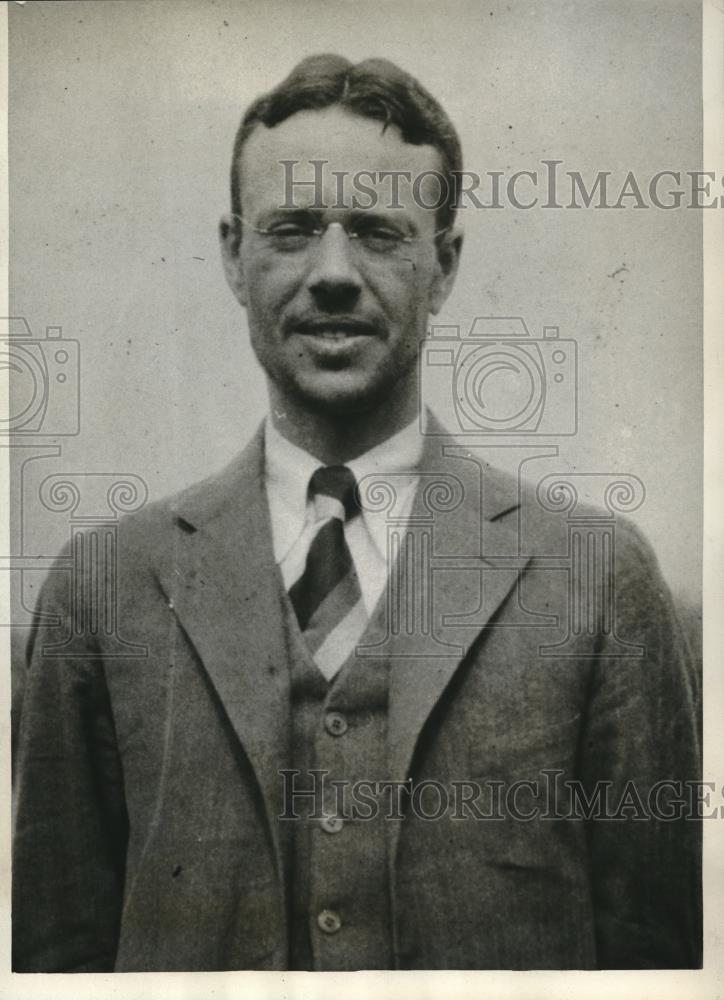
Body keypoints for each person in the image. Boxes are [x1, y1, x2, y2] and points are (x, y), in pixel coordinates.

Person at [12, 54, 701, 972]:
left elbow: (659, 962)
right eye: (292, 230)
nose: (332, 273)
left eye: (379, 232)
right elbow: (54, 959)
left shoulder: (598, 580)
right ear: (231, 253)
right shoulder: (101, 592)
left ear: (445, 263)